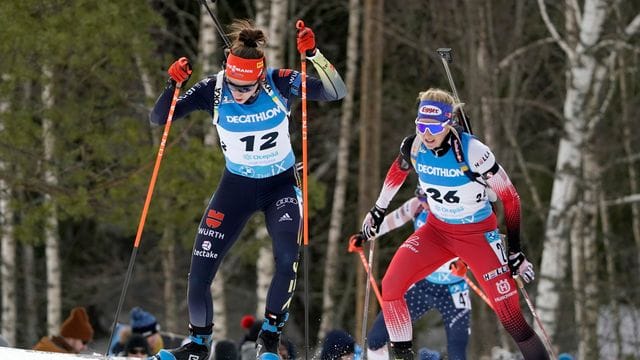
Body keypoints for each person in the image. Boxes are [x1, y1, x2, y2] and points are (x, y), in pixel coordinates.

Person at [150, 19, 346, 360]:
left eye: (246, 87)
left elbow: (335, 91)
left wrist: (313, 54)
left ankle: (269, 338)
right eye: (235, 86)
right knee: (199, 273)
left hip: (280, 185)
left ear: (259, 76)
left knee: (286, 258)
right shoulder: (213, 89)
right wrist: (173, 85)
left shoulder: (279, 82)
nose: (238, 94)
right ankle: (198, 344)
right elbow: (160, 118)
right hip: (236, 188)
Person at [358, 88, 547, 359]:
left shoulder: (473, 151)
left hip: (478, 235)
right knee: (390, 287)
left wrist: (515, 251)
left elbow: (511, 198)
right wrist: (377, 210)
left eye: (434, 126)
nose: (427, 133)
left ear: (448, 123)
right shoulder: (413, 146)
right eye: (421, 125)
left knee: (511, 318)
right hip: (436, 231)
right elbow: (397, 172)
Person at [351, 186, 471, 360]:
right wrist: (364, 235)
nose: (425, 205)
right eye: (422, 199)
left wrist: (465, 264)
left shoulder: (457, 211)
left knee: (457, 351)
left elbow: (478, 245)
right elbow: (392, 220)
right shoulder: (417, 206)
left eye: (427, 200)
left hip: (453, 291)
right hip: (421, 287)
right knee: (376, 339)